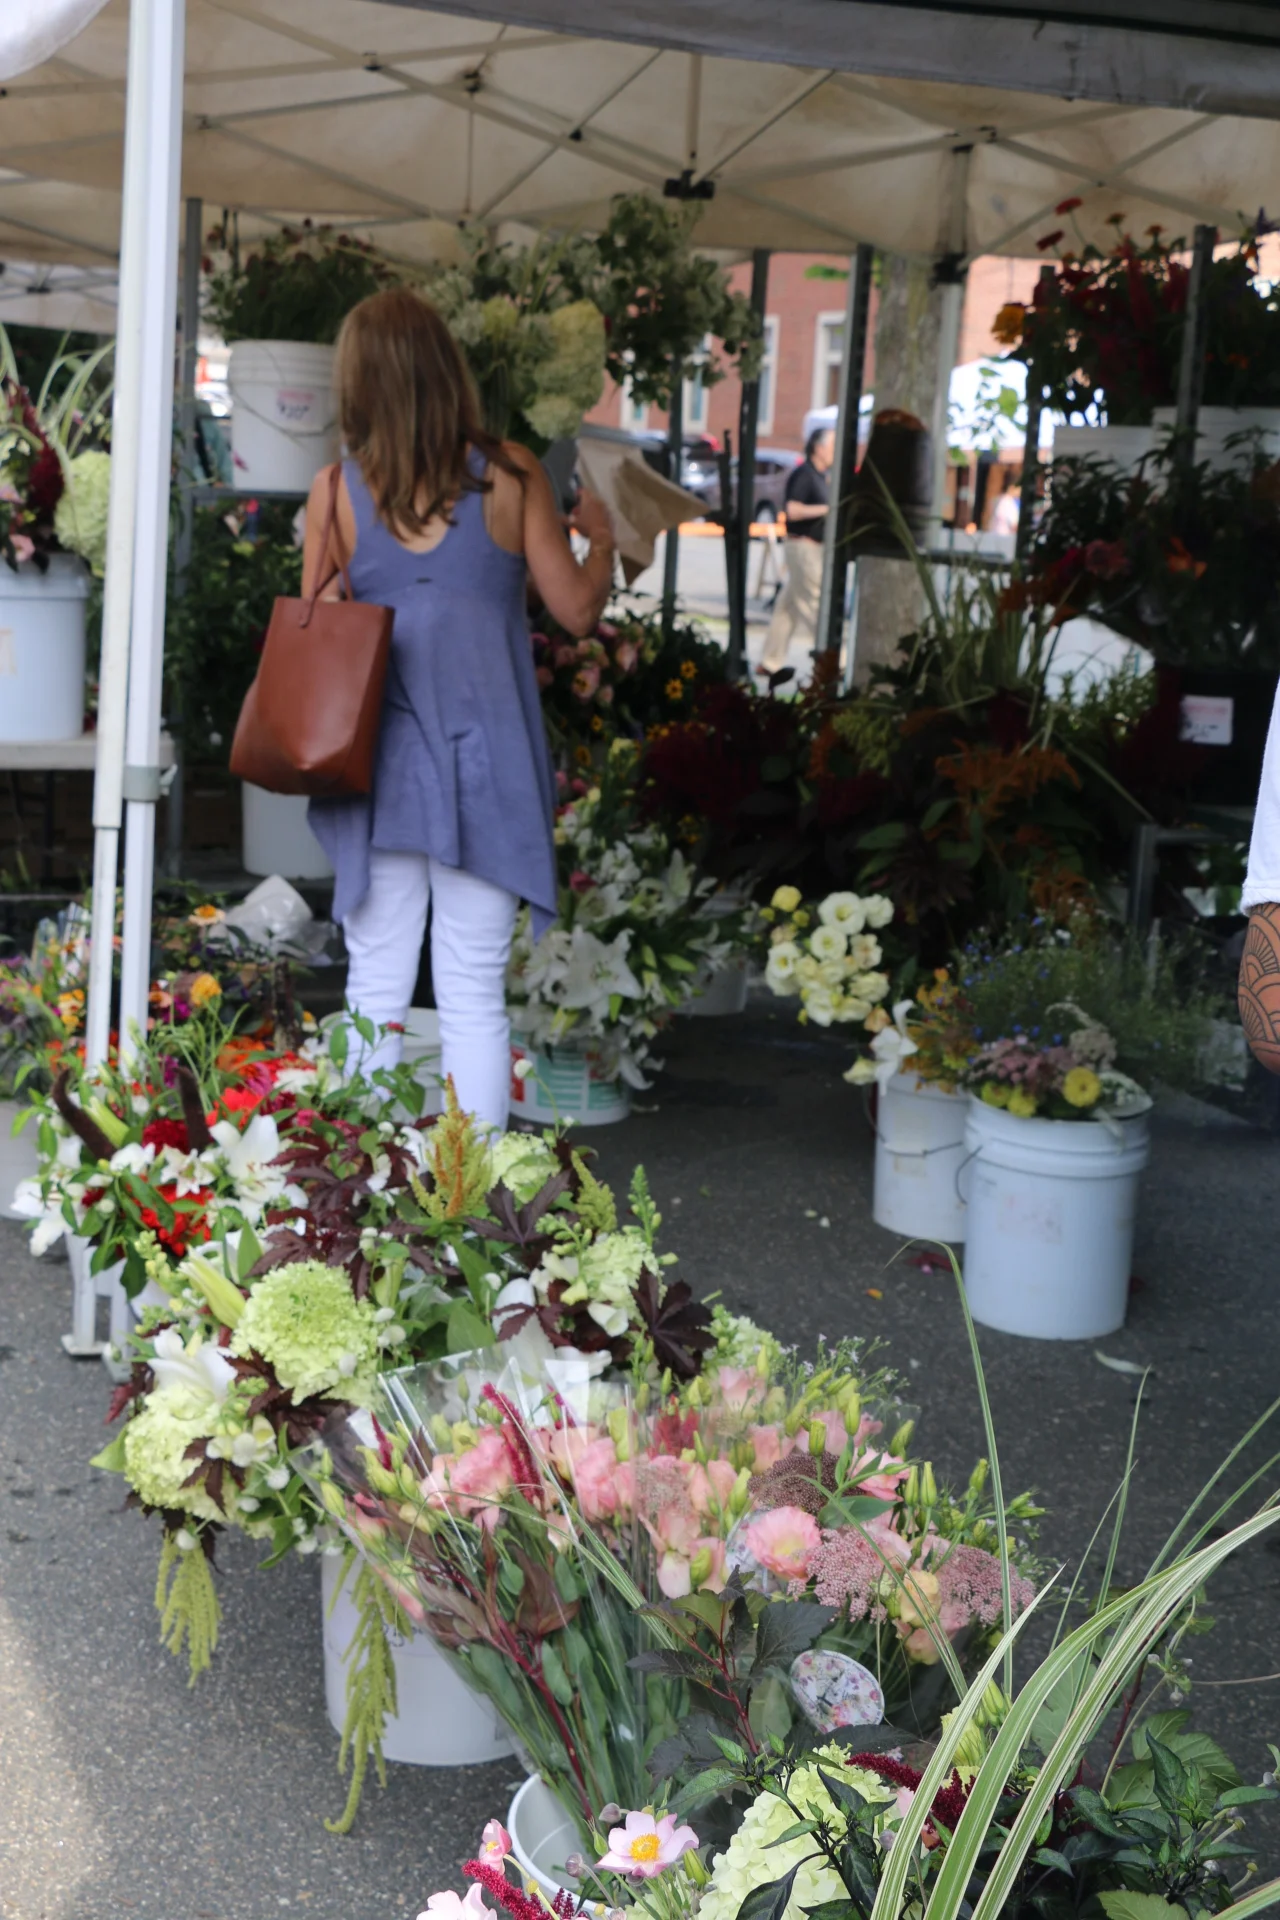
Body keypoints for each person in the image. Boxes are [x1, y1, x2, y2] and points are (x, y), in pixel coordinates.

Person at [303, 287, 616, 1127]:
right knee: (474, 994)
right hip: (489, 764)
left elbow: (316, 638)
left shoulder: (335, 492)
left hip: (380, 770)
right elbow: (578, 613)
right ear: (447, 370)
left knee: (375, 984)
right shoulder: (513, 477)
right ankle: (471, 1207)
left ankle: (356, 1203)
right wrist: (614, 543)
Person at [757, 426, 835, 677]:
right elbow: (792, 510)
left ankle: (770, 660)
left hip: (815, 546)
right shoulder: (804, 475)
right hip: (803, 545)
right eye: (832, 446)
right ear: (819, 448)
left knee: (787, 607)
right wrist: (826, 510)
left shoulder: (824, 476)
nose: (835, 451)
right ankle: (832, 657)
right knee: (813, 601)